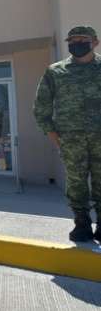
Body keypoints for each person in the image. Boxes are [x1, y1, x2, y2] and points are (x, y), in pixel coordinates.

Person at [34, 25, 101, 243]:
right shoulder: (55, 71)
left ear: (95, 42)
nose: (77, 43)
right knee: (76, 182)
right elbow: (41, 108)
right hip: (71, 140)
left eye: (83, 39)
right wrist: (54, 137)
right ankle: (81, 224)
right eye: (72, 40)